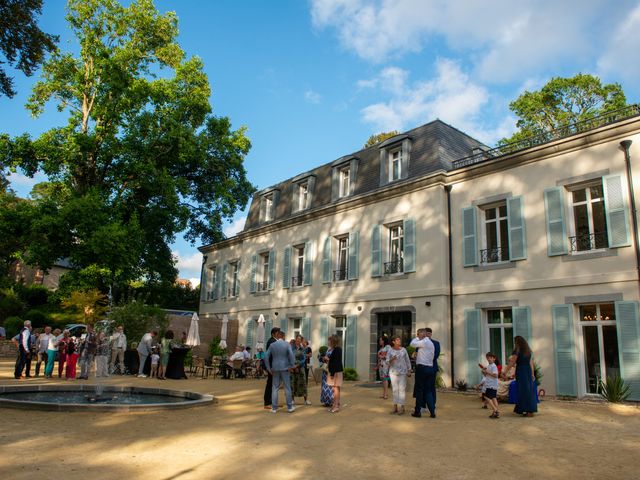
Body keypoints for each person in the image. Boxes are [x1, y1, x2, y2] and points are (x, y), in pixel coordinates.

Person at [502, 336, 537, 417]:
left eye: (515, 342)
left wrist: (505, 371)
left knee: (522, 390)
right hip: (527, 370)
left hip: (521, 370)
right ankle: (529, 410)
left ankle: (526, 409)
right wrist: (532, 374)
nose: (514, 343)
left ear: (517, 342)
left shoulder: (517, 350)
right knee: (528, 390)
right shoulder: (528, 351)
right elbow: (530, 363)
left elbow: (512, 362)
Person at [264, 330, 296, 413]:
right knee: (287, 387)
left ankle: (274, 408)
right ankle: (289, 407)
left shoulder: (272, 345)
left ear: (278, 336)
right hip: (285, 367)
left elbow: (266, 357)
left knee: (275, 388)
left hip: (275, 368)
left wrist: (268, 368)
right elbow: (291, 355)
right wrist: (292, 365)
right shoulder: (287, 344)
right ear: (283, 336)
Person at [410, 328, 436, 418]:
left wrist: (418, 338)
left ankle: (418, 411)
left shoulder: (424, 342)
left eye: (419, 334)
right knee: (428, 391)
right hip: (430, 369)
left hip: (422, 368)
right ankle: (432, 412)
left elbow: (412, 344)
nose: (418, 335)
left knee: (419, 390)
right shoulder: (430, 343)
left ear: (422, 334)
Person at [387, 335, 412, 415]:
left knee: (402, 389)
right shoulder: (390, 350)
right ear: (393, 342)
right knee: (394, 389)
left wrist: (409, 370)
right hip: (393, 372)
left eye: (399, 340)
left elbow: (407, 360)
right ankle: (395, 407)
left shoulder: (403, 350)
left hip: (403, 372)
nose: (399, 341)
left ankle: (402, 407)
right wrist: (392, 359)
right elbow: (387, 362)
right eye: (397, 340)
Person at [325, 334, 344, 413]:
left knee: (335, 389)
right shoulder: (337, 349)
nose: (329, 342)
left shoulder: (336, 349)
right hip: (336, 371)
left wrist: (332, 374)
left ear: (333, 341)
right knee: (336, 389)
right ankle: (335, 405)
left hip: (335, 371)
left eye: (330, 341)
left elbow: (335, 362)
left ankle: (336, 406)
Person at [263, 327, 280, 409]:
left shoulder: (274, 341)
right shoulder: (272, 341)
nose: (279, 334)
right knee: (270, 384)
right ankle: (267, 402)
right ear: (273, 334)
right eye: (277, 333)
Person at [291, 335, 311, 405]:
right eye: (297, 339)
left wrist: (297, 365)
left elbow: (304, 359)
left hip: (301, 368)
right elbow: (290, 358)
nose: (298, 341)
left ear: (301, 341)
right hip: (293, 369)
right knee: (293, 383)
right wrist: (293, 366)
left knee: (303, 383)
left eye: (300, 339)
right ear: (295, 339)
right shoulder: (291, 348)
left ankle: (305, 400)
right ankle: (292, 400)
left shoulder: (303, 349)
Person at [481, 352, 500, 418]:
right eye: (487, 358)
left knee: (486, 397)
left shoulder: (494, 366)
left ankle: (495, 410)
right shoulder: (489, 366)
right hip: (490, 384)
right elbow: (486, 375)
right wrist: (483, 372)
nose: (488, 359)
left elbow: (495, 375)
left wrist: (487, 372)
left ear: (494, 359)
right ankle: (495, 412)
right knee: (494, 398)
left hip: (492, 384)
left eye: (490, 358)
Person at [425, 327, 440, 405]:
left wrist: (425, 360)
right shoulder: (421, 343)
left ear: (430, 334)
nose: (426, 335)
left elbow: (436, 355)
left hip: (432, 368)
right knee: (423, 386)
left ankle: (432, 403)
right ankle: (423, 404)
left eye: (427, 333)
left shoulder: (436, 343)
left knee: (431, 386)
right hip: (423, 369)